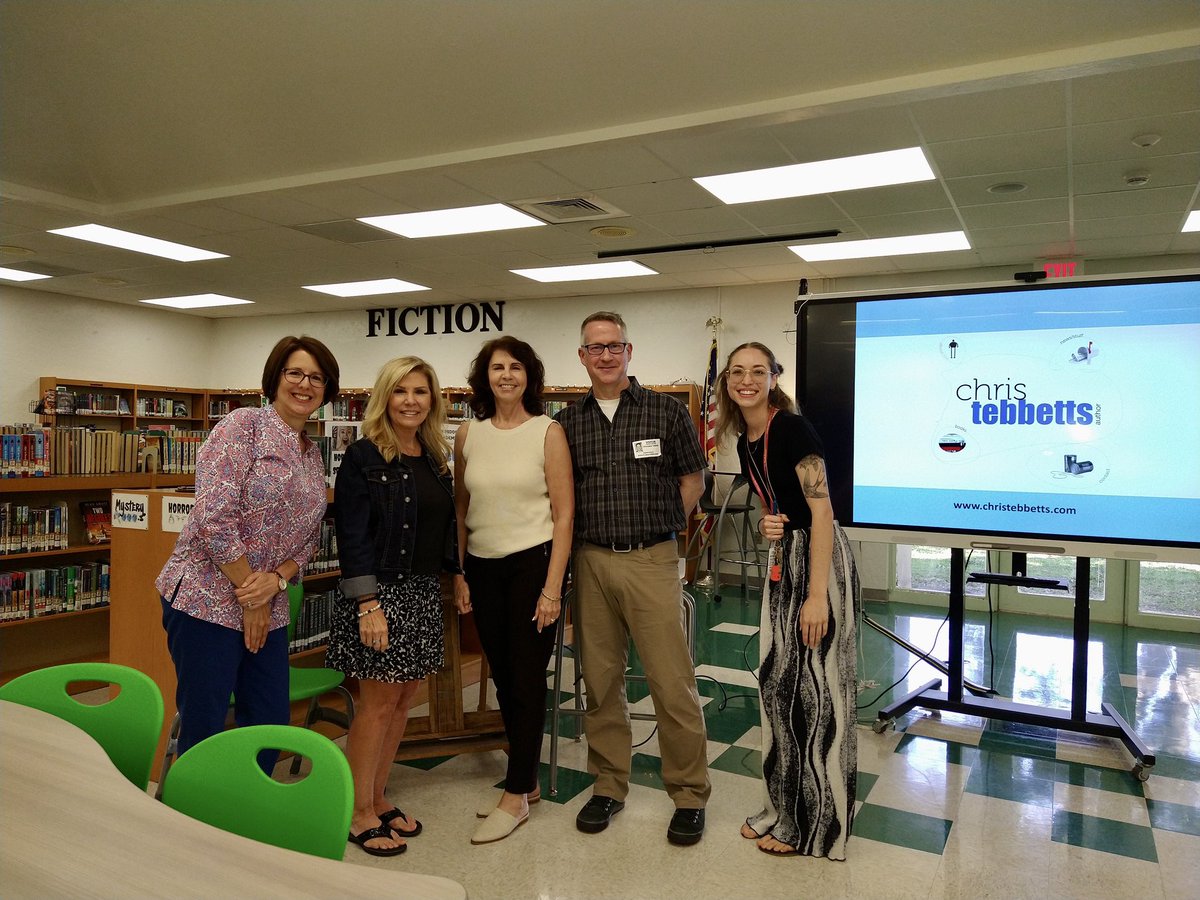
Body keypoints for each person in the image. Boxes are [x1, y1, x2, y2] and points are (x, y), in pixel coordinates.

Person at [555, 311, 710, 846]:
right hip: (591, 561)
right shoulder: (568, 423)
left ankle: (688, 795)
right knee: (600, 682)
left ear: (628, 351)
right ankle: (608, 784)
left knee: (672, 683)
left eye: (614, 345)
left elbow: (693, 477)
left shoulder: (665, 411)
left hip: (651, 559)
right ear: (582, 356)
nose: (605, 355)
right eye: (594, 347)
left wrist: (666, 525)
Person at [156, 335, 338, 773]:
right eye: (294, 372)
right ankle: (192, 821)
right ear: (274, 378)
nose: (304, 384)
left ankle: (245, 809)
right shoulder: (242, 427)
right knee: (205, 721)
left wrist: (273, 584)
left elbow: (309, 539)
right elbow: (215, 516)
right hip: (206, 600)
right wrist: (251, 592)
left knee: (271, 720)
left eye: (316, 377)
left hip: (268, 604)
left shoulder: (312, 454)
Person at [716, 341, 860, 859]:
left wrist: (817, 596)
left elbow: (822, 514)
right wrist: (769, 521)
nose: (746, 380)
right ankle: (781, 806)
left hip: (818, 568)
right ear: (727, 381)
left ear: (774, 376)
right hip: (786, 564)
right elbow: (785, 507)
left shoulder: (792, 428)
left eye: (758, 371)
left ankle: (819, 826)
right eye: (737, 372)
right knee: (777, 689)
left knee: (819, 700)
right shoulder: (745, 440)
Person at [326, 356, 459, 857]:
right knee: (378, 707)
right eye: (400, 391)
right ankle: (357, 812)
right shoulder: (364, 456)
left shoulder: (434, 457)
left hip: (422, 592)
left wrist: (457, 576)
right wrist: (368, 604)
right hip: (379, 596)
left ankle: (379, 797)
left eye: (420, 392)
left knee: (404, 703)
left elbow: (441, 527)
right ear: (384, 397)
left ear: (433, 400)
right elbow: (353, 536)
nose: (410, 401)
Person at [452, 336, 574, 845]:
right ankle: (527, 780)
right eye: (497, 367)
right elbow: (461, 508)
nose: (506, 375)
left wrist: (551, 591)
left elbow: (565, 515)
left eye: (516, 367)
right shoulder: (468, 434)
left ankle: (516, 793)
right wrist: (459, 572)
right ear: (485, 377)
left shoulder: (547, 431)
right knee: (503, 676)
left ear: (530, 376)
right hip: (482, 567)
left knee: (526, 679)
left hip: (533, 566)